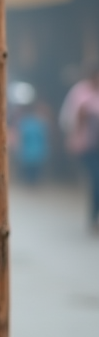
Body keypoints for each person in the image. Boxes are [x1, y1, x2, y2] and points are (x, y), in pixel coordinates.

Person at [61, 65, 99, 232]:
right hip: (87, 146)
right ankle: (94, 218)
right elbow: (67, 119)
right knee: (96, 180)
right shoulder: (80, 92)